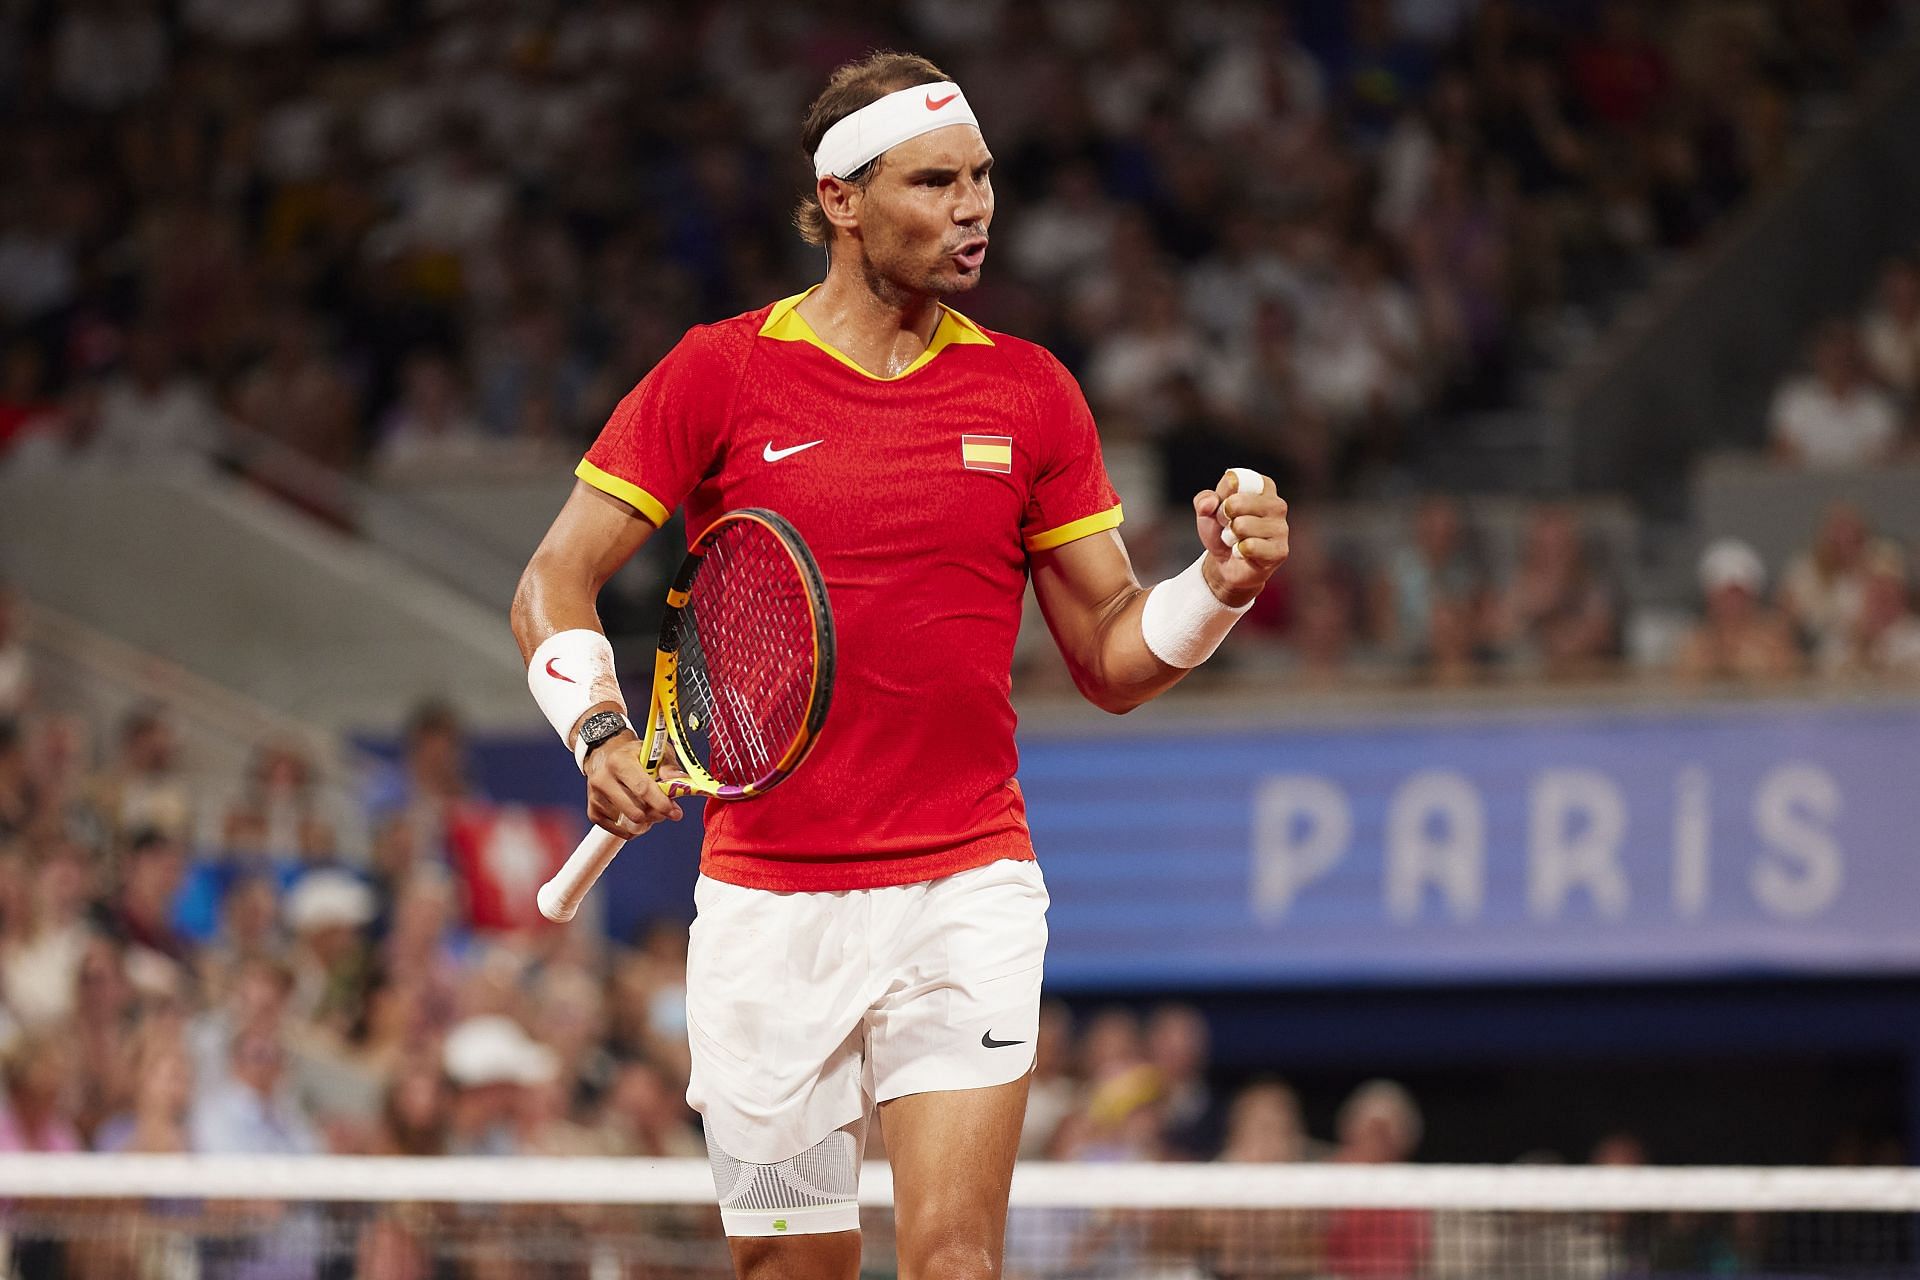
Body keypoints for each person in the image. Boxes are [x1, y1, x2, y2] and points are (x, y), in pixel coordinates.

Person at [509, 51, 1291, 1280]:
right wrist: (598, 730)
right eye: (935, 182)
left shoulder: (1031, 392)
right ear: (841, 200)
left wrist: (1219, 591)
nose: (974, 206)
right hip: (767, 911)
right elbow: (550, 582)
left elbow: (1111, 654)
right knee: (792, 1271)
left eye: (982, 178)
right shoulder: (719, 372)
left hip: (964, 888)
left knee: (955, 1261)